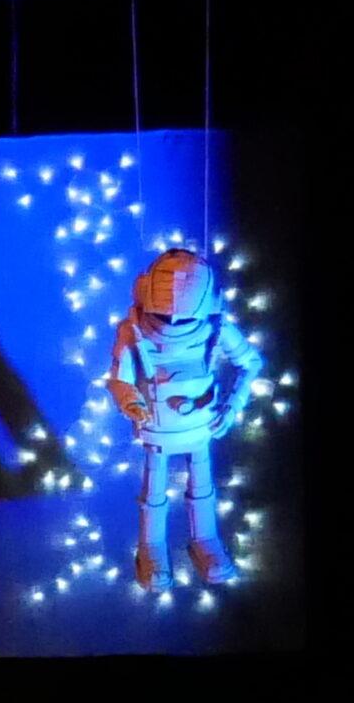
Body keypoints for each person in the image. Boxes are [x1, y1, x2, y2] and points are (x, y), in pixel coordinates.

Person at [107, 246, 261, 590]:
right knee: (154, 493)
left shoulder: (215, 328)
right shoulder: (133, 330)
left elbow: (250, 362)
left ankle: (205, 541)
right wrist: (131, 402)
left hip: (200, 425)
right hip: (157, 427)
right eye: (165, 315)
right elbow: (120, 379)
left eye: (184, 316)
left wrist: (232, 406)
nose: (174, 321)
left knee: (202, 487)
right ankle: (151, 549)